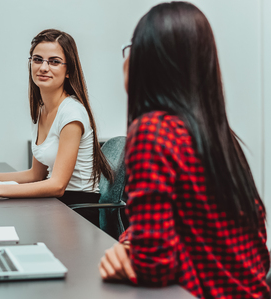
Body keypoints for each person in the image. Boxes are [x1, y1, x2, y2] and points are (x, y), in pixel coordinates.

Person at [98, 2, 270, 298]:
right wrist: (131, 243)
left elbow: (155, 264)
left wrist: (132, 252)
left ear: (146, 59)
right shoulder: (219, 136)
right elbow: (254, 243)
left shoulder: (153, 132)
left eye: (133, 48)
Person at [0, 29, 113, 226]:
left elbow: (57, 185)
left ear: (68, 70)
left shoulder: (72, 114)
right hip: (56, 205)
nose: (44, 67)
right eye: (38, 59)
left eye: (54, 61)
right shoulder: (42, 110)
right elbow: (35, 175)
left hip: (77, 211)